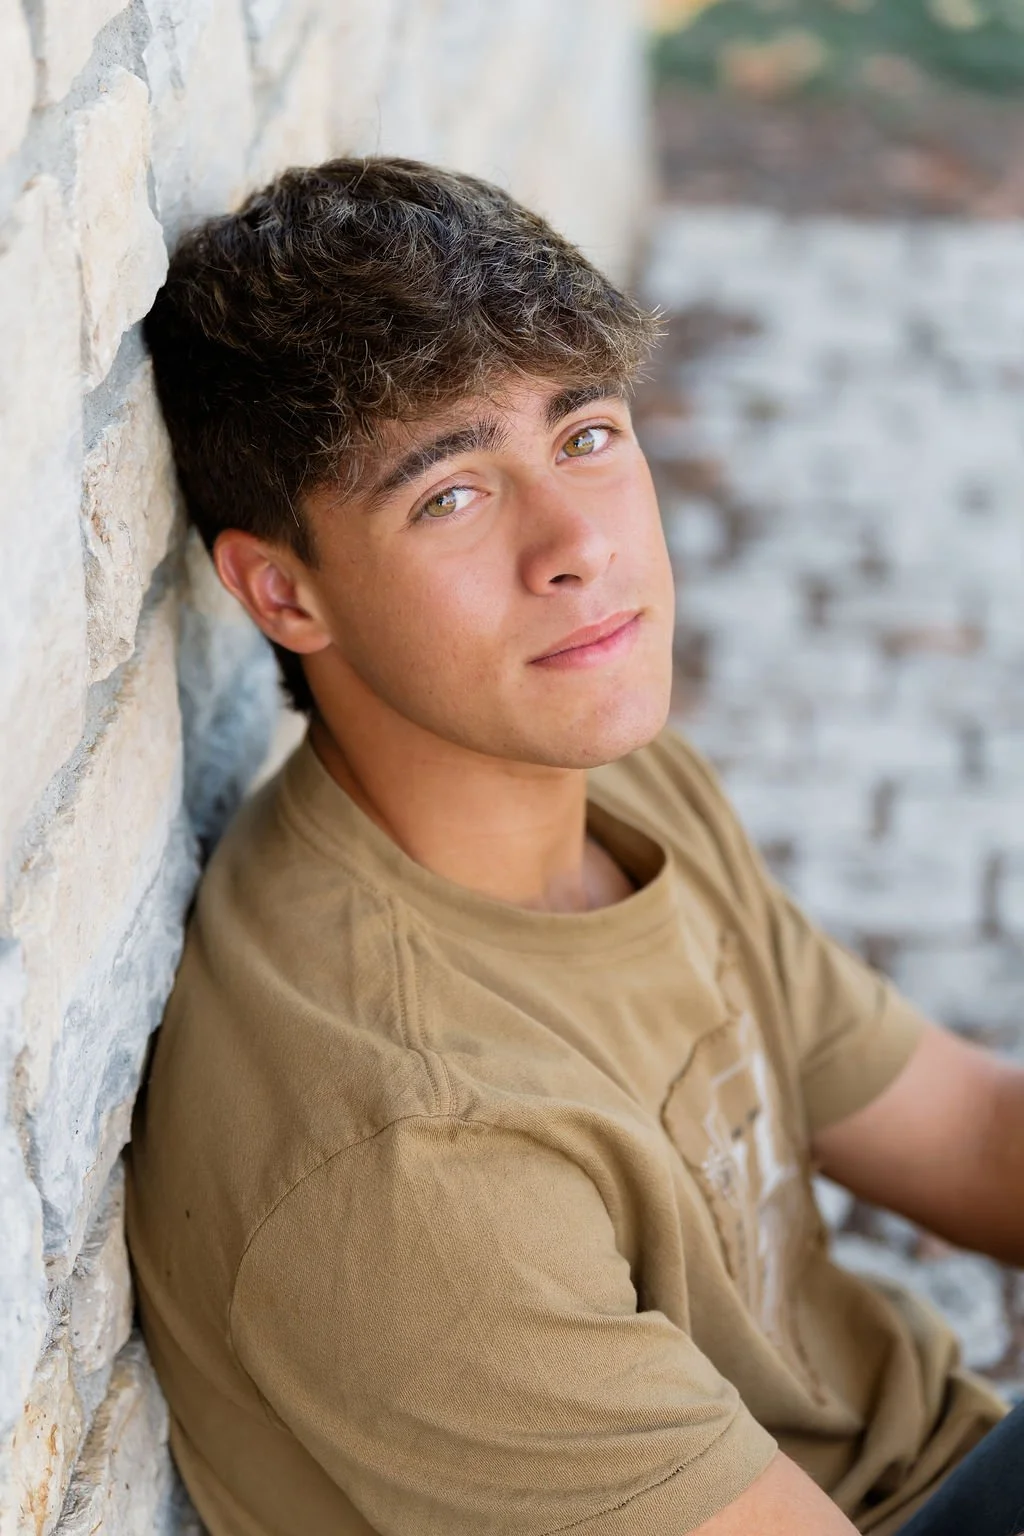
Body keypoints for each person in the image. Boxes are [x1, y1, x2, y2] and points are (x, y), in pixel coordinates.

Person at [125, 158, 1024, 1536]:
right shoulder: (409, 1157)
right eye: (452, 497)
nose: (578, 548)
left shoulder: (604, 773)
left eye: (587, 434)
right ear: (281, 590)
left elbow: (963, 1133)